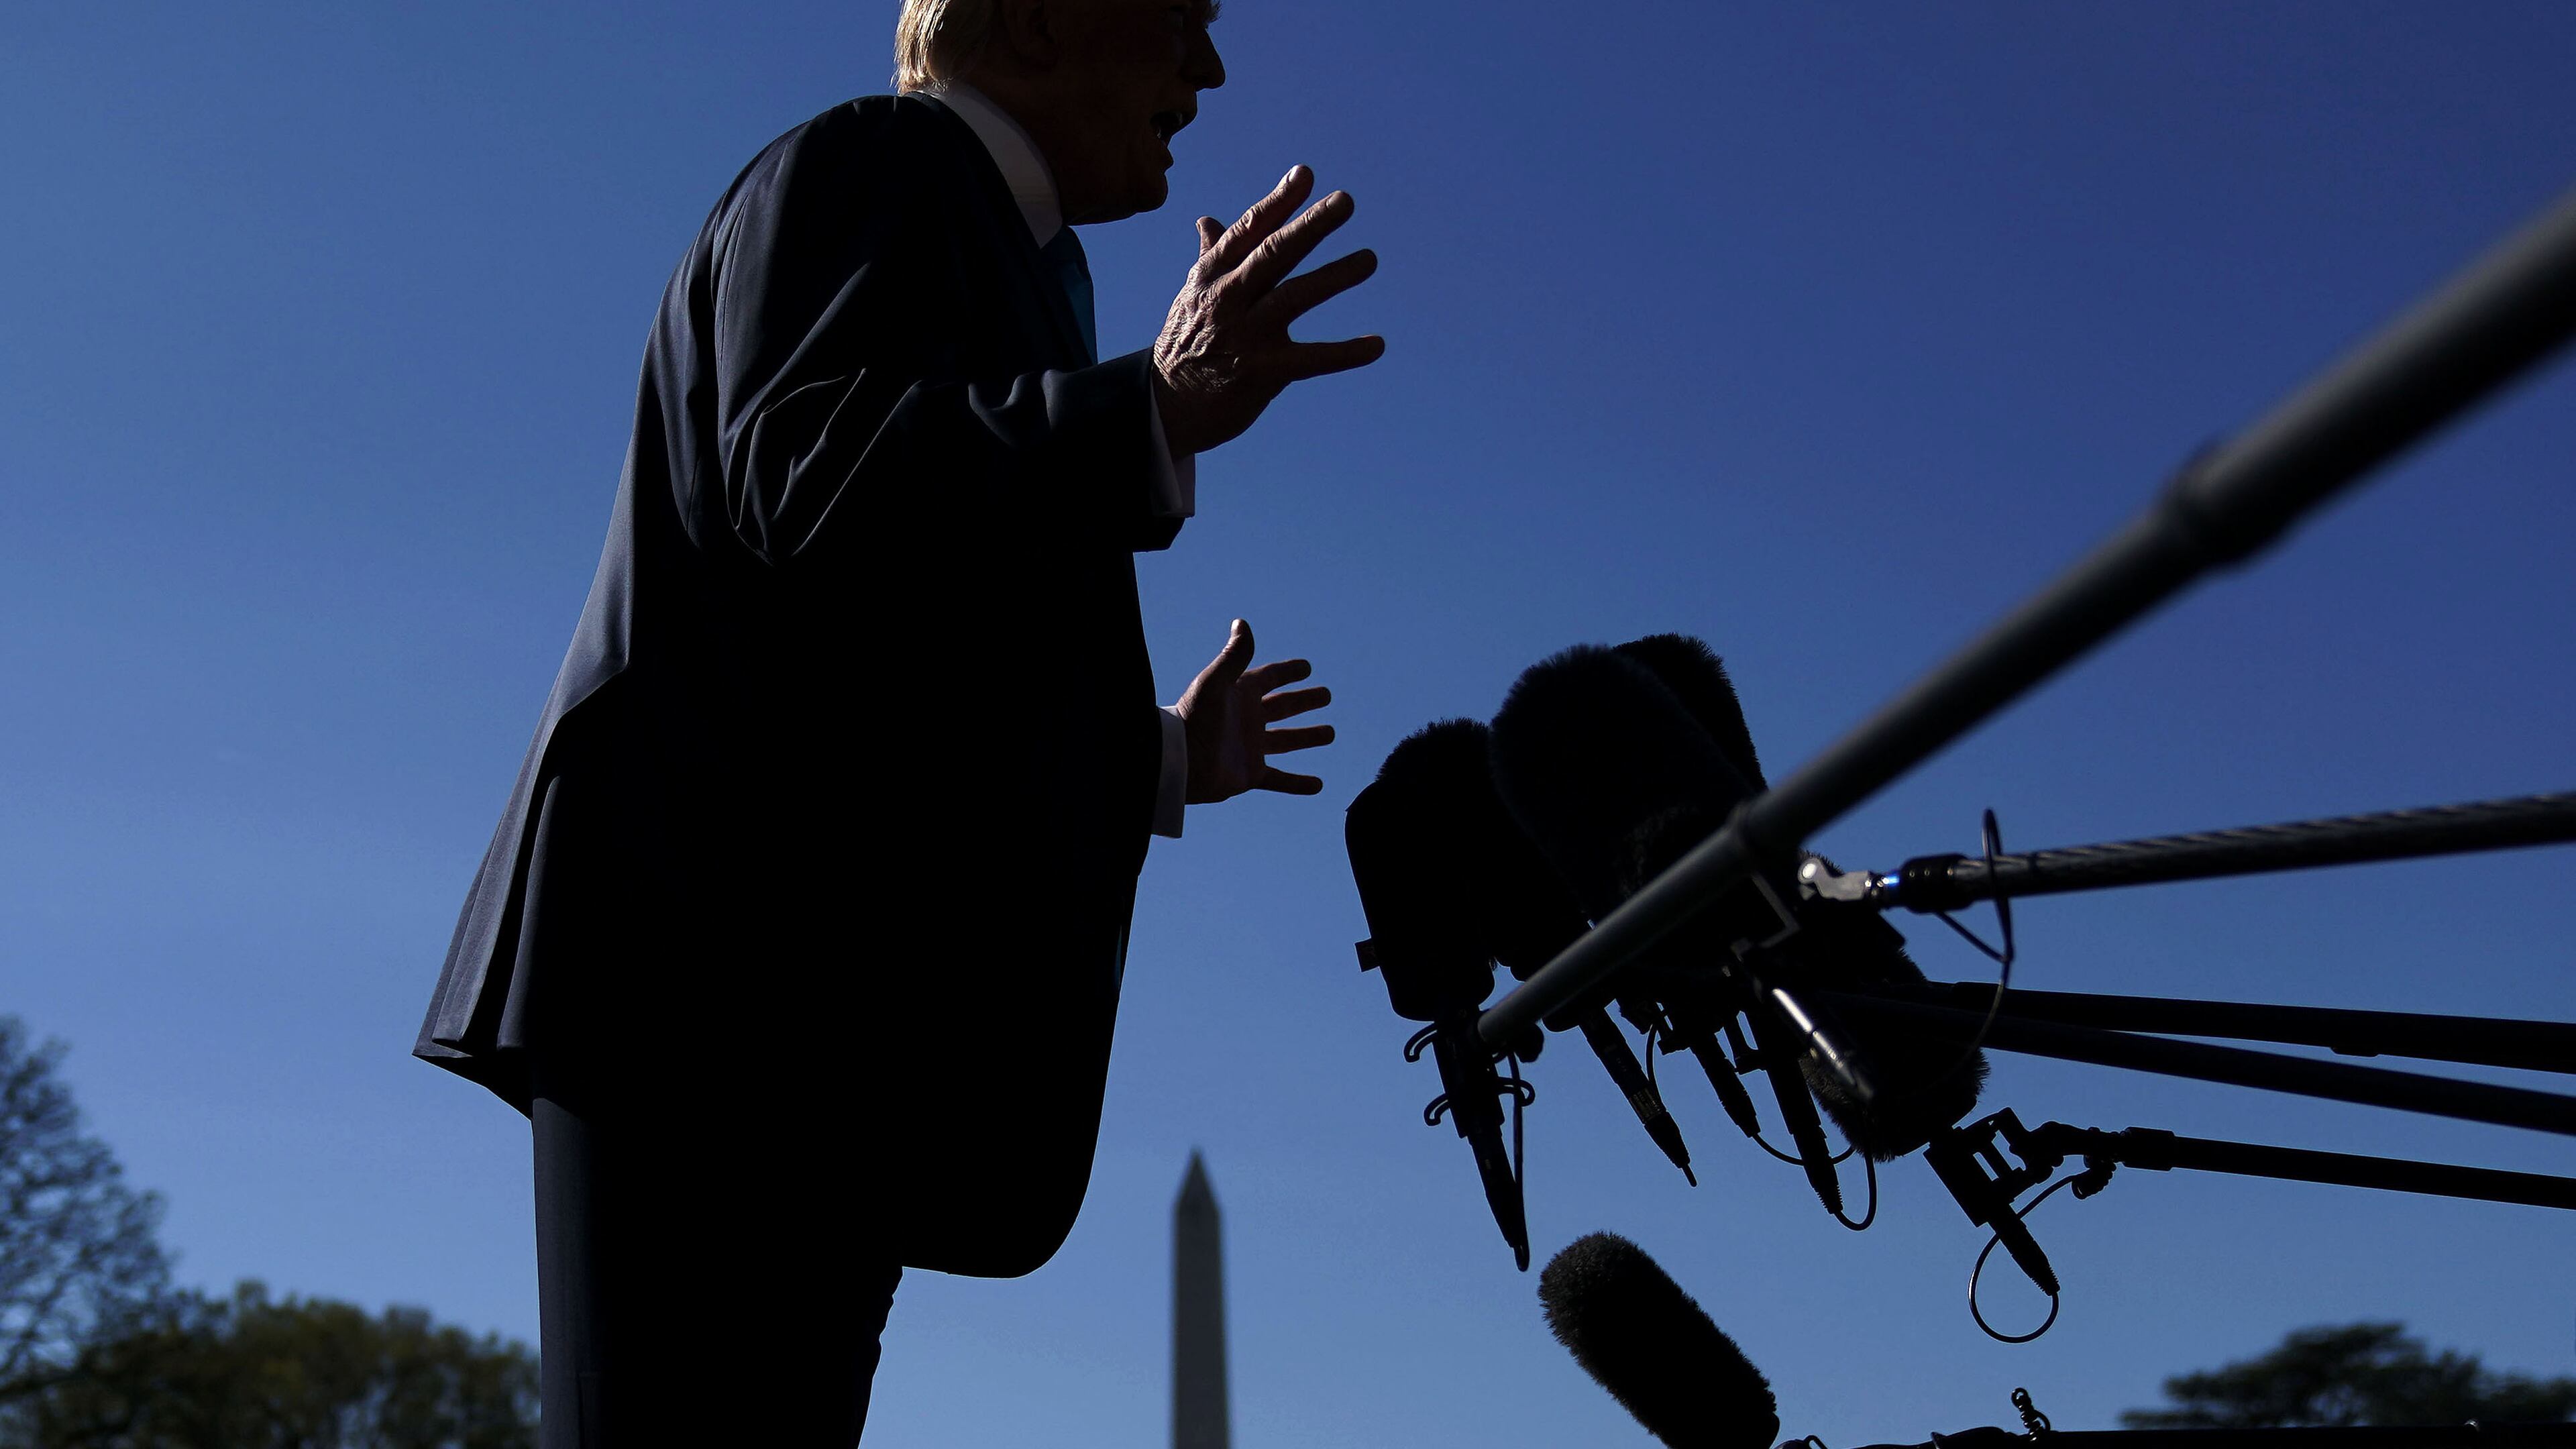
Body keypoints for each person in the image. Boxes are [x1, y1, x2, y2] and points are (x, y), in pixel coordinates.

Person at [411, 1, 1381, 1442]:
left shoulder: (1036, 266)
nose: (1211, 73)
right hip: (709, 989)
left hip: (813, 1029)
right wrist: (1153, 412)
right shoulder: (879, 162)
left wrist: (1168, 755)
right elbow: (811, 479)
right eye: (1179, 22)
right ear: (1043, 24)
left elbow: (903, 680)